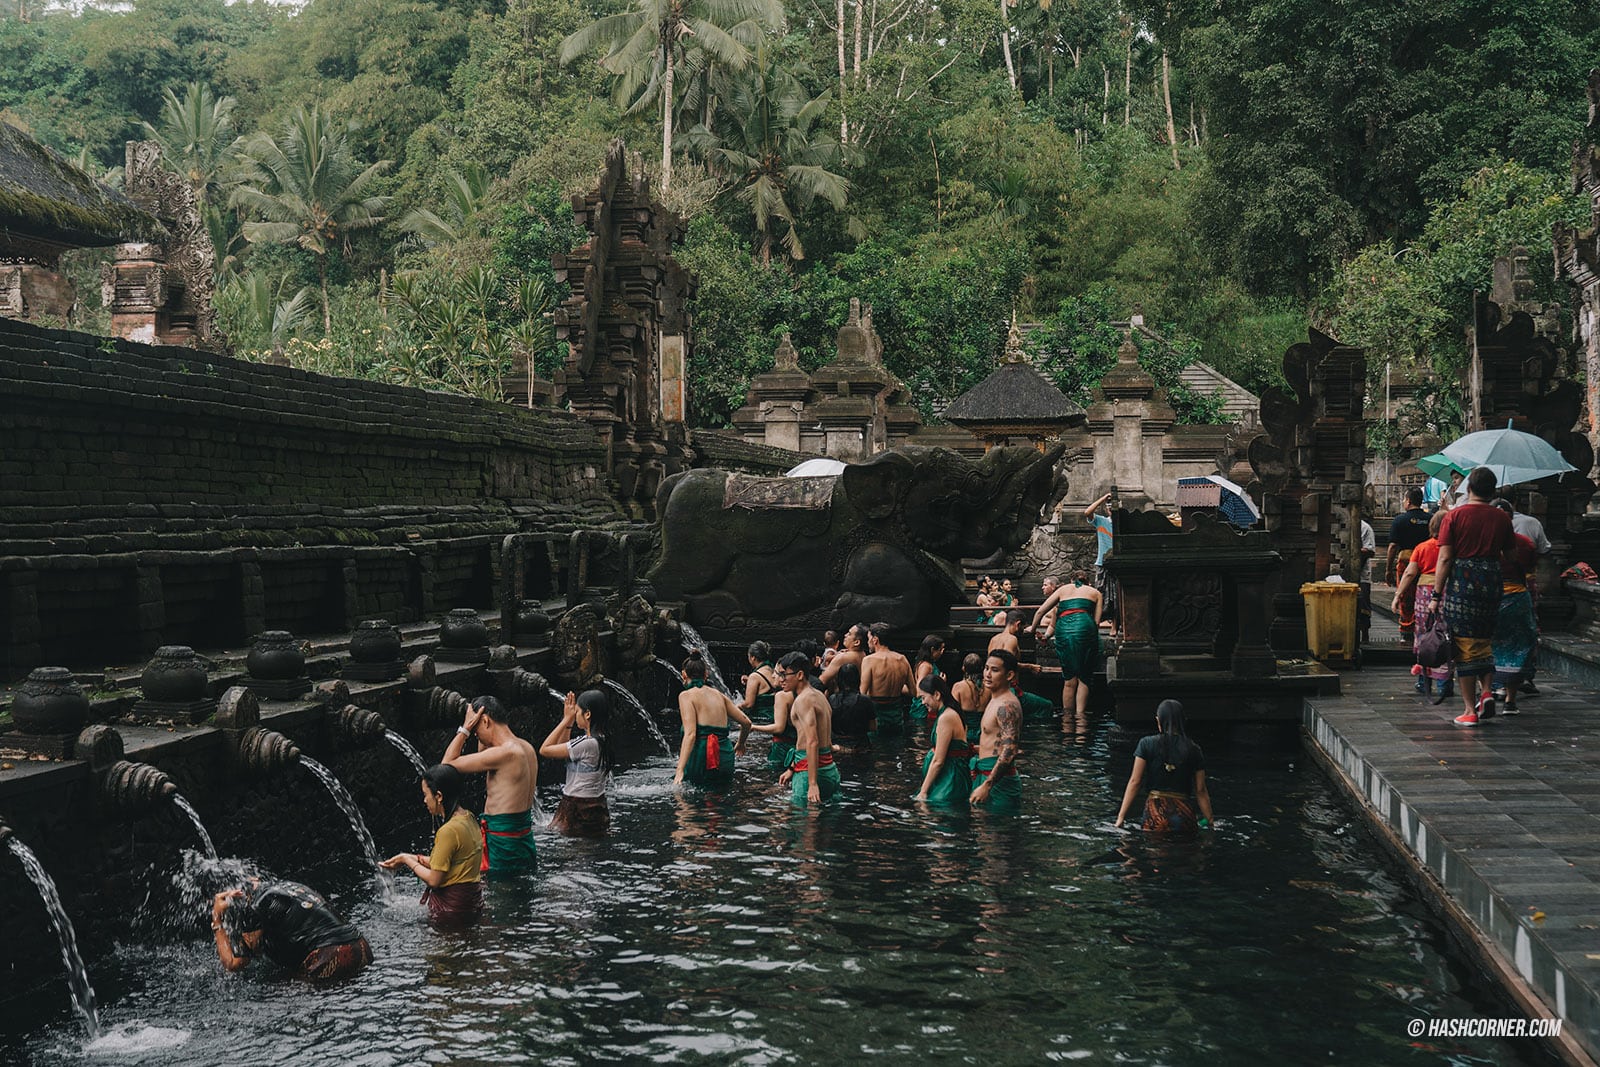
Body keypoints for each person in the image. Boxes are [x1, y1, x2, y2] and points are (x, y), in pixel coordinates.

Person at [1431, 466, 1515, 726]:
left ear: (1468, 489)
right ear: (1492, 492)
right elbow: (1510, 556)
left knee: (1463, 645)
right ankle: (1487, 691)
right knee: (1484, 639)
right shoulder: (1502, 518)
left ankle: (1469, 709)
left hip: (1463, 582)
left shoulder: (1454, 517)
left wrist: (1436, 594)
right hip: (1491, 580)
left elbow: (1445, 558)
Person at [441, 694, 538, 875]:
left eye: (477, 730)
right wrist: (480, 729)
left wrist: (465, 729)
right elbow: (483, 753)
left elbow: (446, 765)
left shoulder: (505, 753)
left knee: (502, 899)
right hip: (522, 839)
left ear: (485, 720)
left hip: (504, 844)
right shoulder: (525, 747)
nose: (475, 735)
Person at [381, 764, 483, 928]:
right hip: (470, 905)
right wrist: (412, 857)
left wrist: (408, 860)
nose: (424, 800)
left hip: (450, 913)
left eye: (425, 794)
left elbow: (434, 880)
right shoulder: (468, 818)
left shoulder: (448, 831)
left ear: (439, 796)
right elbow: (450, 863)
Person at [211, 878, 370, 981]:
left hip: (332, 958)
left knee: (277, 996)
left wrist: (217, 918)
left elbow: (234, 965)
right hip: (362, 949)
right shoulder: (285, 886)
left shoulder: (254, 906)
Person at [1113, 699, 1213, 835]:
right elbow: (1200, 790)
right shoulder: (1194, 749)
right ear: (1183, 721)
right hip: (1184, 815)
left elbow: (1135, 782)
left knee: (1154, 852)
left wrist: (1121, 817)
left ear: (1158, 721)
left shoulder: (1146, 744)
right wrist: (1210, 821)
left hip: (1155, 816)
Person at [1392, 511, 1453, 703]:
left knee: (1425, 634)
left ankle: (1423, 680)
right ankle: (1445, 682)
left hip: (1425, 593)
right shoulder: (1454, 548)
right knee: (1445, 635)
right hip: (1447, 591)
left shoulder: (1422, 547)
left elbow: (1410, 573)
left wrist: (1398, 595)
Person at [1488, 499, 1539, 716]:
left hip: (1493, 598)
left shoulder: (1486, 543)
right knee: (1518, 645)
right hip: (1519, 597)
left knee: (1492, 645)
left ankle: (1491, 689)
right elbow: (1531, 570)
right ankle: (1511, 698)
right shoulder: (1526, 543)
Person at [1031, 569, 1102, 720]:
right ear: (1088, 582)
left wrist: (1033, 629)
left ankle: (1067, 721)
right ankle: (1081, 720)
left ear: (1071, 581)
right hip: (1085, 629)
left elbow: (1040, 612)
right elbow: (1096, 623)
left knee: (1069, 679)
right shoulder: (1095, 592)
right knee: (1084, 677)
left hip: (1064, 632)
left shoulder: (1063, 591)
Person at [675, 653, 754, 789]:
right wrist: (741, 744)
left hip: (703, 757)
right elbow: (746, 722)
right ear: (706, 674)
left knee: (692, 803)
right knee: (721, 799)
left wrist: (679, 770)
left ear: (684, 674)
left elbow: (690, 734)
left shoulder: (686, 696)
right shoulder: (719, 695)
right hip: (725, 756)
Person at [541, 689, 615, 835]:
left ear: (587, 714)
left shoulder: (586, 743)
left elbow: (545, 749)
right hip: (596, 806)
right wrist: (569, 725)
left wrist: (565, 720)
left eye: (577, 711)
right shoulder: (601, 740)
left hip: (577, 808)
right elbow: (563, 752)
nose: (575, 715)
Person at [776, 650, 840, 807]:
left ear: (799, 675)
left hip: (810, 772)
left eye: (784, 675)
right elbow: (824, 738)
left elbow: (812, 741)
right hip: (829, 770)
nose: (781, 680)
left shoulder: (803, 700)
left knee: (805, 827)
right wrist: (792, 768)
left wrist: (812, 784)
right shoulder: (819, 696)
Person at [969, 650, 1023, 813]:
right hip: (986, 773)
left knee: (997, 835)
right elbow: (996, 742)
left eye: (995, 670)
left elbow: (1010, 750)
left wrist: (987, 785)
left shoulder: (1006, 706)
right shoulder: (995, 700)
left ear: (1009, 675)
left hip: (997, 781)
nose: (987, 674)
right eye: (986, 668)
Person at [1509, 503, 1552, 696]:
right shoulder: (1531, 525)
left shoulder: (1491, 533)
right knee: (1528, 630)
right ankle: (1526, 675)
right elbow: (1543, 552)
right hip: (1526, 584)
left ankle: (1498, 682)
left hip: (1500, 587)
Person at [912, 675, 973, 806]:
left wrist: (923, 791)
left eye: (924, 697)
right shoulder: (947, 713)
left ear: (937, 695)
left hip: (950, 779)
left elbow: (938, 761)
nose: (922, 702)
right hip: (947, 777)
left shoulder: (947, 717)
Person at [1386, 488, 1432, 643]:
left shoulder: (1400, 520)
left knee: (1406, 596)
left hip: (1406, 562)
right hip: (1427, 562)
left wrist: (1388, 569)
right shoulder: (1430, 519)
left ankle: (1407, 630)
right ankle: (1424, 628)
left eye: (1404, 499)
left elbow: (1393, 546)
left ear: (1408, 501)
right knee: (1424, 595)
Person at [861, 623, 913, 737]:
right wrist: (896, 687)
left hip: (876, 716)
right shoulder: (902, 659)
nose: (867, 642)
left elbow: (862, 694)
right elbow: (913, 692)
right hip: (896, 717)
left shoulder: (869, 660)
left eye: (868, 638)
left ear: (875, 640)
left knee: (876, 751)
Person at [1084, 492, 1119, 636]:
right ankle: (1096, 623)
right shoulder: (1101, 520)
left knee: (1116, 596)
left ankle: (1115, 626)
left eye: (1113, 506)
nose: (1110, 509)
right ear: (1106, 509)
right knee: (1099, 594)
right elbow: (1087, 512)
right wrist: (1103, 498)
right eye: (1108, 507)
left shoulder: (1121, 524)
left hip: (1117, 563)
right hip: (1102, 563)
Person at [828, 660, 877, 752]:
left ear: (839, 680)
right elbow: (872, 727)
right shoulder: (865, 700)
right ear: (858, 679)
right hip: (860, 747)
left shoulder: (831, 699)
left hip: (837, 745)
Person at [908, 635, 946, 731]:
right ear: (933, 649)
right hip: (923, 708)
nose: (942, 652)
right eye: (940, 649)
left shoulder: (928, 664)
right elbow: (919, 689)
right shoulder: (926, 666)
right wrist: (940, 682)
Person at [738, 641, 781, 725]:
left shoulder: (754, 676)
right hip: (775, 716)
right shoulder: (772, 670)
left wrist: (734, 707)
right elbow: (765, 686)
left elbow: (748, 704)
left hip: (761, 719)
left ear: (753, 657)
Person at [818, 623, 866, 690]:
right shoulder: (863, 655)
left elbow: (822, 681)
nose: (845, 635)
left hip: (842, 697)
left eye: (849, 634)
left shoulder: (842, 657)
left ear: (856, 642)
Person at [950, 653, 985, 743]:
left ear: (963, 668)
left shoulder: (958, 687)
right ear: (982, 668)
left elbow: (952, 712)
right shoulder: (989, 688)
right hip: (982, 733)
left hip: (965, 733)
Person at [1358, 518, 1376, 644]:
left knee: (1364, 605)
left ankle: (1365, 635)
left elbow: (1370, 551)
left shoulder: (1364, 527)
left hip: (1362, 574)